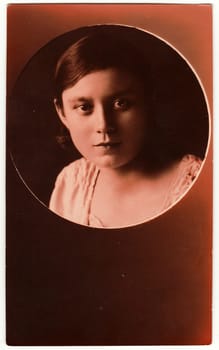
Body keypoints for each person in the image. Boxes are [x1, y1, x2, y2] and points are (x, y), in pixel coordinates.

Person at [49, 26, 203, 228]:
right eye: (84, 107)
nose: (104, 125)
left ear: (149, 101)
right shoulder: (71, 184)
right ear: (62, 113)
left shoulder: (194, 182)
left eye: (121, 103)